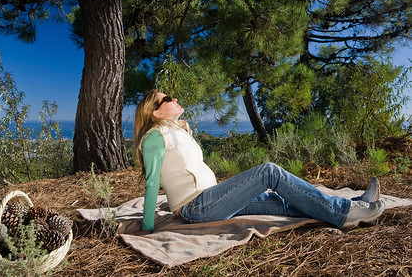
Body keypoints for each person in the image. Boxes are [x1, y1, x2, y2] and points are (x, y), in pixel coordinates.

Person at [134, 90, 385, 232]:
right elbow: (152, 183)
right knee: (269, 172)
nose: (175, 99)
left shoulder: (177, 130)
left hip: (211, 199)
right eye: (167, 99)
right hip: (198, 207)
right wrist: (147, 228)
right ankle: (345, 214)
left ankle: (352, 204)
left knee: (281, 202)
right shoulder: (154, 137)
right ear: (155, 112)